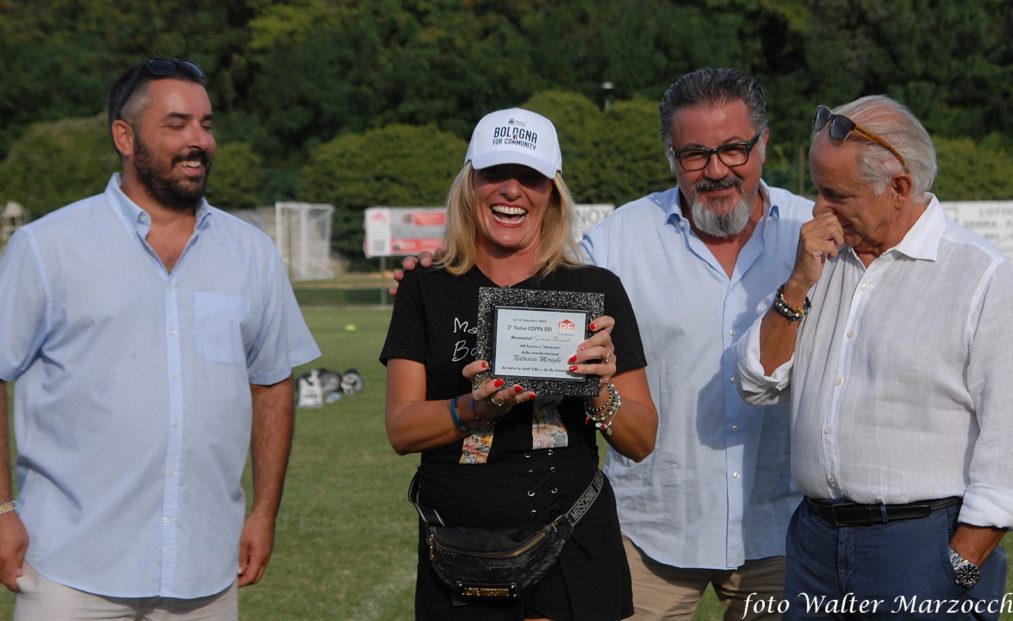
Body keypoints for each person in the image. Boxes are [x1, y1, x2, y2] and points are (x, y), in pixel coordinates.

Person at [0, 58, 320, 620]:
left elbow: (272, 383)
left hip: (205, 568)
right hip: (70, 568)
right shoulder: (47, 248)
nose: (198, 140)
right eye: (177, 124)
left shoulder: (251, 253)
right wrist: (2, 511)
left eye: (206, 124)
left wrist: (264, 511)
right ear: (125, 137)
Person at [736, 95, 1013, 619]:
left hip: (922, 545)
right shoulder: (818, 262)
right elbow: (757, 382)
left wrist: (960, 562)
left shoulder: (979, 275)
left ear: (899, 188)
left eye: (835, 194)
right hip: (814, 542)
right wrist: (797, 284)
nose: (818, 209)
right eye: (817, 189)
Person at [381, 106, 658, 620]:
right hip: (460, 551)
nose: (512, 190)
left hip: (573, 543)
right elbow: (401, 430)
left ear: (552, 190)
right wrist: (474, 408)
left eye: (530, 177)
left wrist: (597, 389)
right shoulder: (426, 287)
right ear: (470, 182)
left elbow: (642, 441)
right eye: (495, 173)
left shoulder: (595, 288)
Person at [580, 68, 812, 620]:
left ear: (764, 143)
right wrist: (446, 279)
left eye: (734, 149)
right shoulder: (615, 242)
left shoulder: (812, 232)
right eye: (695, 155)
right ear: (671, 156)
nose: (716, 170)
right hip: (650, 531)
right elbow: (539, 310)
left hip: (782, 531)